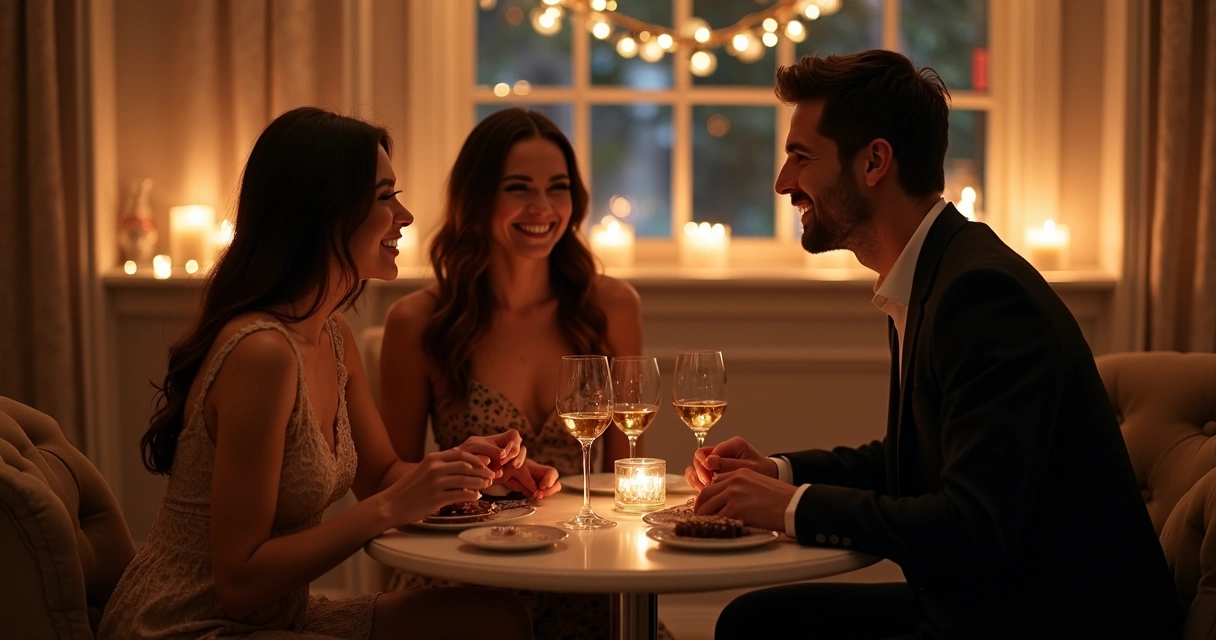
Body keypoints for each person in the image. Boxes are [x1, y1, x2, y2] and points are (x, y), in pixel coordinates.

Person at [686, 50, 1182, 640]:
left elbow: (970, 525)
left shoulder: (982, 295)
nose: (783, 182)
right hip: (988, 606)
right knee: (755, 621)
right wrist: (778, 472)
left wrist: (789, 508)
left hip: (1046, 621)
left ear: (875, 162)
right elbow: (913, 460)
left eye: (801, 156)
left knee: (758, 628)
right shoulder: (933, 272)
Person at [99, 107, 533, 640]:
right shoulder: (263, 354)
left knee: (497, 618)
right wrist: (390, 507)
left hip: (281, 615)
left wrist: (467, 471)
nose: (406, 216)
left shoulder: (332, 336)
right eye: (384, 196)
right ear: (322, 213)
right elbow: (239, 582)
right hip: (189, 623)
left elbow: (382, 477)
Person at [379, 107, 671, 639]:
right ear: (478, 196)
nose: (542, 208)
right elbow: (388, 487)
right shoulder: (418, 322)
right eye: (519, 188)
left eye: (557, 188)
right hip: (466, 575)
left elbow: (627, 477)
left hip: (586, 574)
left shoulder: (612, 308)